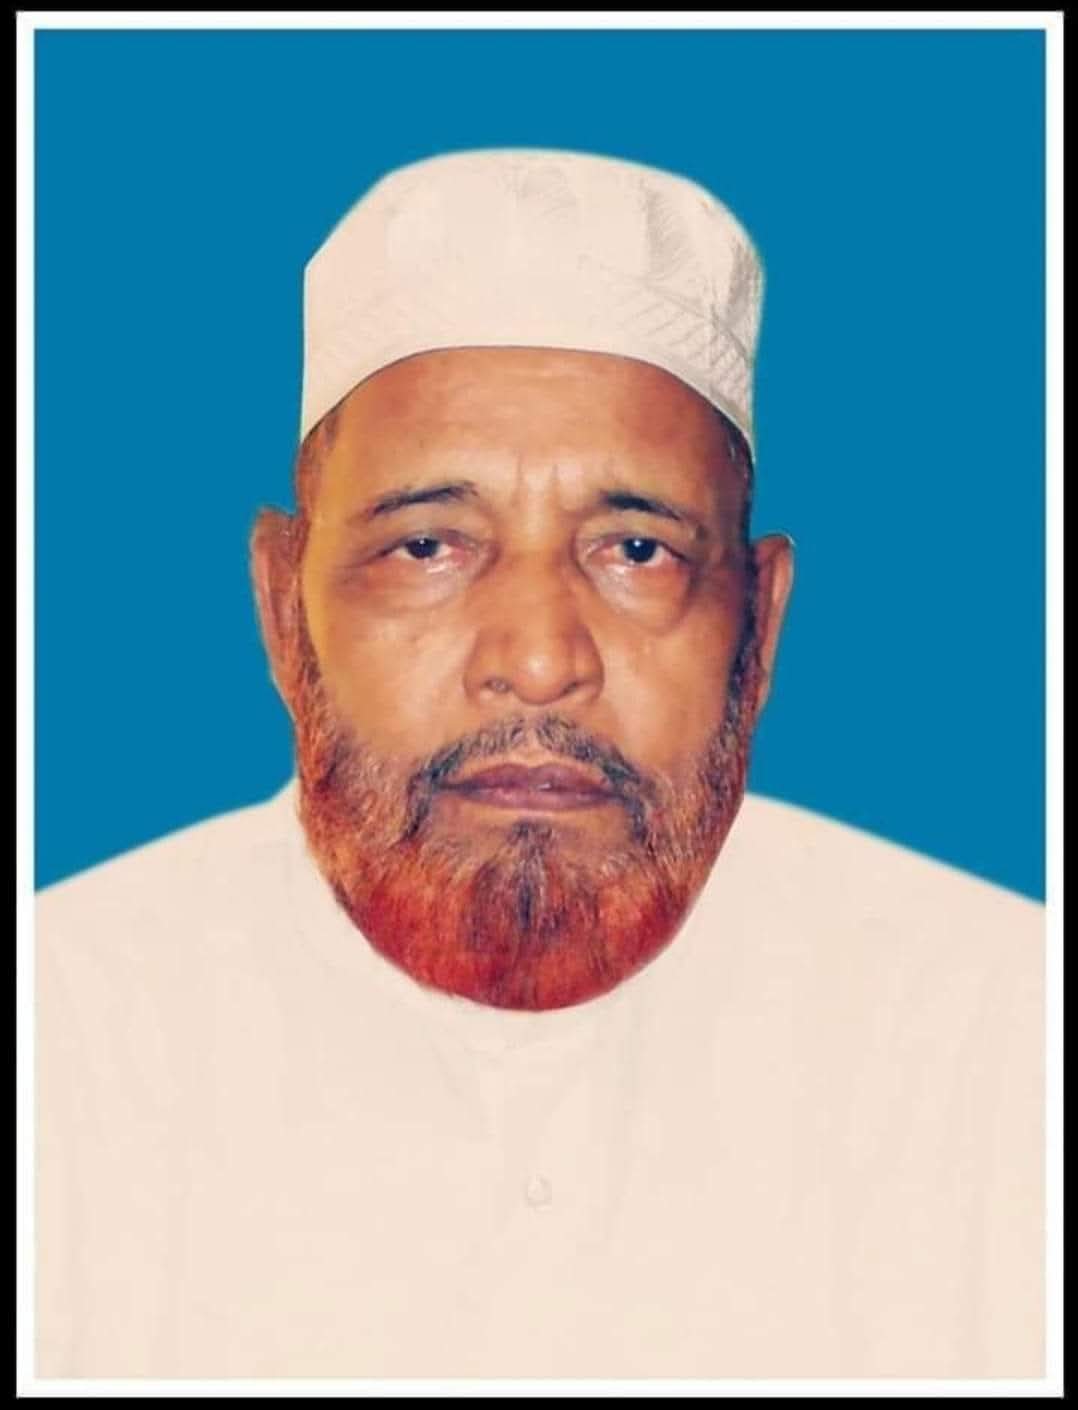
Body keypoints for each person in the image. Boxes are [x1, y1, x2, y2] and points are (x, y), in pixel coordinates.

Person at [35, 149, 1044, 1379]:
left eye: (635, 550)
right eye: (427, 547)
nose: (537, 659)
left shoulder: (1007, 1046)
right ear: (283, 607)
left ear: (761, 625)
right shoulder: (61, 1044)